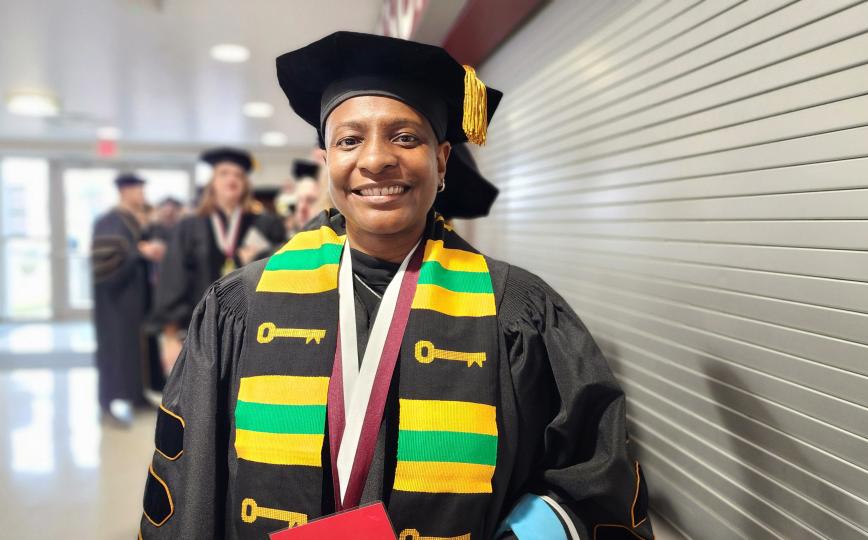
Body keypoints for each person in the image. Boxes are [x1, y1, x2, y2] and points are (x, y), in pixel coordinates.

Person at [139, 32, 653, 540]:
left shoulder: (516, 310)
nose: (377, 159)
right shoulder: (241, 305)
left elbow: (594, 474)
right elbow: (191, 481)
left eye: (405, 137)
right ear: (327, 163)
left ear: (443, 160)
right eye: (349, 139)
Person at [151, 148, 286, 373]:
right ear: (212, 182)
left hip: (253, 331)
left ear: (245, 183)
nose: (232, 179)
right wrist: (170, 337)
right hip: (199, 330)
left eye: (238, 175)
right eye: (224, 173)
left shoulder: (265, 225)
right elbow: (173, 280)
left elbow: (282, 275)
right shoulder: (189, 227)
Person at [91, 174, 165, 427]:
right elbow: (106, 258)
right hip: (116, 299)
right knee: (116, 348)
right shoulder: (110, 219)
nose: (142, 194)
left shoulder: (136, 218)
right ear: (124, 191)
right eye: (137, 189)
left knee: (139, 345)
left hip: (137, 295)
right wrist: (139, 252)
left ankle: (137, 396)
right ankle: (107, 402)